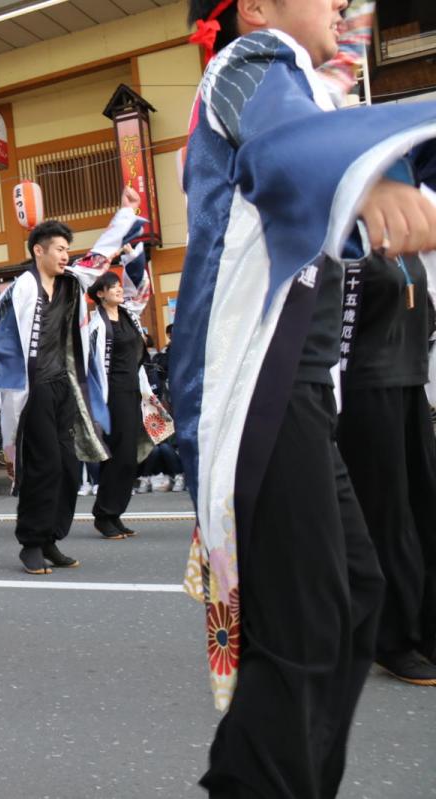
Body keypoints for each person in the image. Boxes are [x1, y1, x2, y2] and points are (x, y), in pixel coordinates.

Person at [171, 0, 435, 794]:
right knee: (307, 622)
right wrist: (375, 177)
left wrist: (385, 166)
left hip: (308, 395)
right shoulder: (248, 68)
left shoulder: (309, 90)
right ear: (255, 5)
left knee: (354, 593)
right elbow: (288, 149)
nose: (339, 4)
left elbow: (331, 131)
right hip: (256, 390)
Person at [0, 188, 147, 575]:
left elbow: (102, 254)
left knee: (68, 467)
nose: (66, 254)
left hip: (66, 386)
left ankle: (51, 538)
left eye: (68, 248)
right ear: (39, 251)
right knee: (44, 466)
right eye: (59, 248)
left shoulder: (73, 281)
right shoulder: (22, 289)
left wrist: (126, 211)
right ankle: (31, 542)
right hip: (31, 390)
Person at [336, 247, 436, 684]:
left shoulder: (409, 245)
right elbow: (335, 332)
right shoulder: (347, 245)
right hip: (366, 389)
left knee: (426, 510)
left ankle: (427, 628)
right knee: (387, 517)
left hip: (411, 383)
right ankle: (392, 638)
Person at [84, 253, 169, 540]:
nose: (119, 289)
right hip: (112, 395)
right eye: (113, 286)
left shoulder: (129, 315)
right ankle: (104, 514)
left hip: (135, 390)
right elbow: (90, 367)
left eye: (120, 285)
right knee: (118, 455)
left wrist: (135, 256)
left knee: (130, 456)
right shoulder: (94, 327)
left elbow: (142, 289)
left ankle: (114, 513)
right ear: (100, 294)